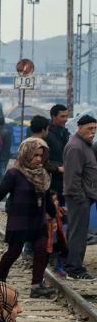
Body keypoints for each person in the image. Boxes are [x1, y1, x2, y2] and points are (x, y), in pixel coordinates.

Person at [0, 138, 58, 297]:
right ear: (26, 154)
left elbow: (46, 197)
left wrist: (54, 215)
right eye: (35, 155)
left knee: (41, 250)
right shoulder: (14, 173)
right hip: (19, 219)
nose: (39, 159)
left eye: (41, 155)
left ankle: (36, 286)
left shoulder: (43, 174)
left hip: (38, 220)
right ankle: (0, 281)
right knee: (14, 252)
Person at [63, 114, 97, 280]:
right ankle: (74, 269)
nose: (92, 132)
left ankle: (73, 265)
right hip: (79, 198)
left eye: (95, 129)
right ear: (80, 127)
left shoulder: (85, 145)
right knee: (78, 234)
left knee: (77, 232)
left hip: (84, 196)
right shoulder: (76, 147)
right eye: (89, 129)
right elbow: (72, 177)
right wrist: (80, 198)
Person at [46, 104, 70, 202]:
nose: (65, 119)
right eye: (62, 116)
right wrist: (58, 168)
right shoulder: (47, 134)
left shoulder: (65, 133)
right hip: (52, 178)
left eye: (66, 116)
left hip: (64, 178)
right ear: (53, 117)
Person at [0, 117, 12, 183]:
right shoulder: (7, 132)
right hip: (6, 155)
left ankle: (3, 188)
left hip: (0, 156)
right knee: (2, 172)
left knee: (0, 174)